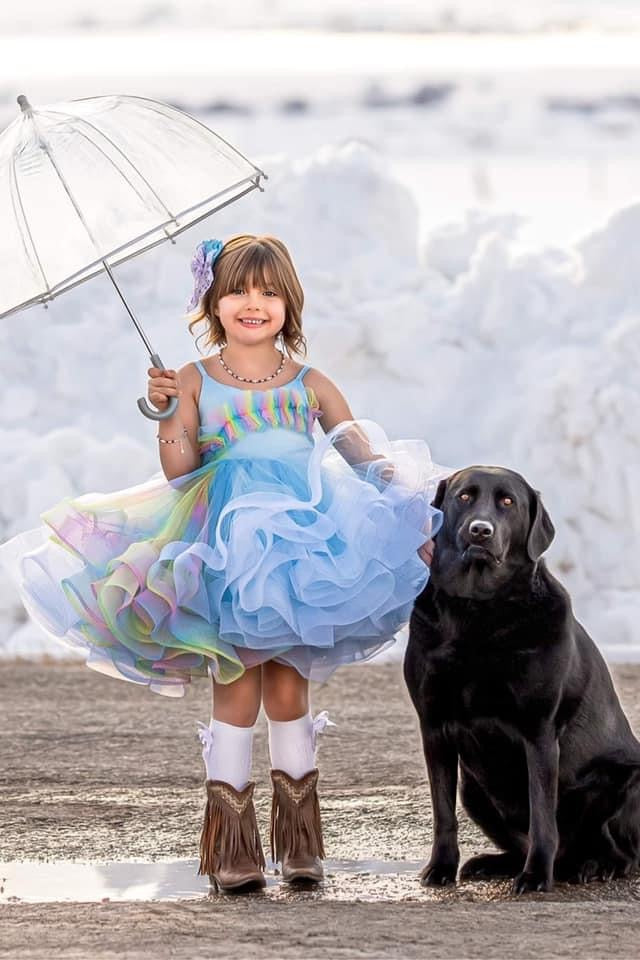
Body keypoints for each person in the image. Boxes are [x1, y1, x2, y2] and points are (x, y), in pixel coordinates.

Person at [0, 233, 449, 893]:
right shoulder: (192, 379)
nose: (252, 303)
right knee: (236, 685)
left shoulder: (310, 383)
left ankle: (299, 844)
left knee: (290, 686)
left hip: (301, 550)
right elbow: (180, 468)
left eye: (268, 292)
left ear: (288, 304)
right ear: (212, 299)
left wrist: (409, 505)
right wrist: (165, 412)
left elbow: (357, 452)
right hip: (225, 549)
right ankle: (234, 847)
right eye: (238, 289)